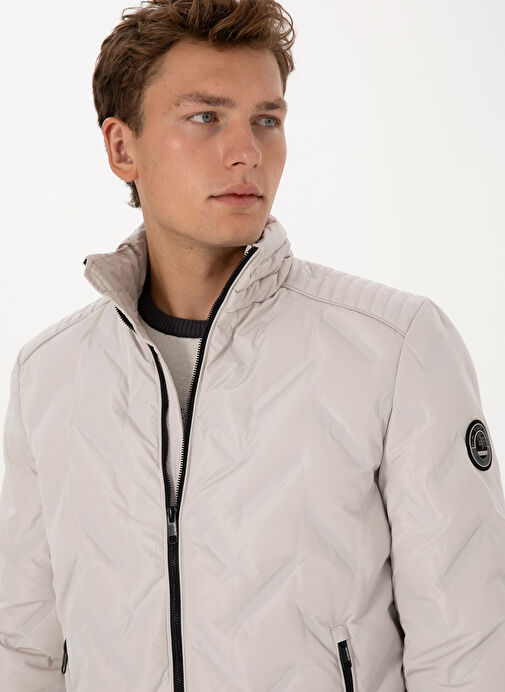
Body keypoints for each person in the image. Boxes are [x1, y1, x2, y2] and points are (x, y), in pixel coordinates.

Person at [1, 1, 504, 690]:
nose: (247, 152)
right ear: (122, 148)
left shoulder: (394, 347)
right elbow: (24, 650)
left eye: (266, 119)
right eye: (205, 116)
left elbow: (469, 649)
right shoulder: (49, 376)